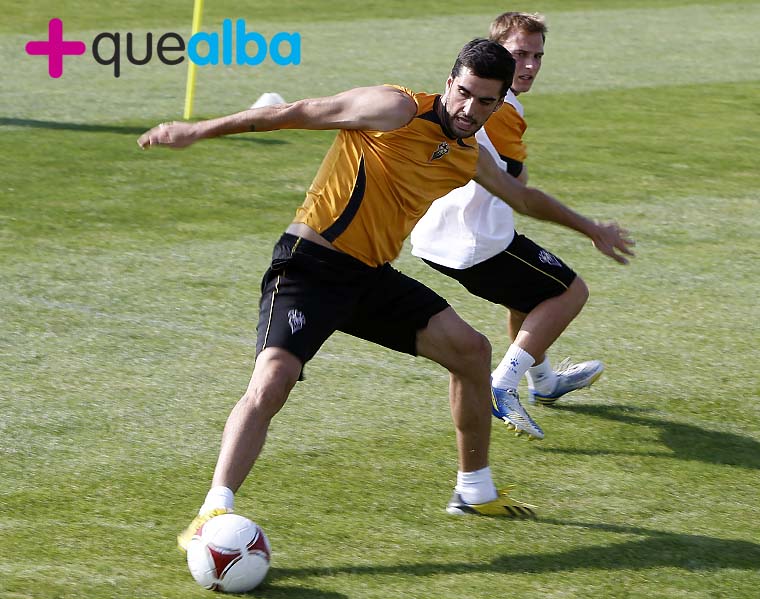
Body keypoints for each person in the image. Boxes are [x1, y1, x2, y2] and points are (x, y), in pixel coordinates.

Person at [138, 39, 631, 542]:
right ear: (449, 82)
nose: (469, 109)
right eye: (463, 93)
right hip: (310, 266)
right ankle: (213, 512)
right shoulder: (394, 108)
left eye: (485, 101)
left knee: (471, 351)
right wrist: (196, 131)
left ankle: (475, 491)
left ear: (501, 101)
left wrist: (590, 227)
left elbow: (523, 198)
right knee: (272, 382)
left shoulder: (468, 155)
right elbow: (298, 112)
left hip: (370, 277)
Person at [411, 13, 634, 441]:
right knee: (569, 292)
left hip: (434, 237)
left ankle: (545, 382)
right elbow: (520, 188)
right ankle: (503, 384)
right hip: (476, 242)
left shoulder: (467, 97)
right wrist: (591, 228)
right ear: (497, 54)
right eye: (518, 55)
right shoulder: (504, 108)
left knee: (528, 296)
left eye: (537, 56)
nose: (529, 65)